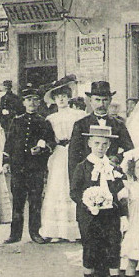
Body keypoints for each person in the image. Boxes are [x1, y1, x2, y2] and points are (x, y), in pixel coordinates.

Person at [70, 125, 129, 277]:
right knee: (90, 251)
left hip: (110, 215)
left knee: (113, 250)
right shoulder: (82, 167)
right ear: (89, 143)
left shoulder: (112, 167)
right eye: (96, 143)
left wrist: (124, 212)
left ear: (109, 145)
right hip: (89, 217)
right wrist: (89, 201)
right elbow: (74, 192)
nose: (100, 147)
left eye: (104, 144)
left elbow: (120, 190)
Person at [3, 83, 56, 244]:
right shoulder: (16, 121)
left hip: (36, 168)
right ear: (24, 103)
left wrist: (42, 149)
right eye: (28, 100)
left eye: (35, 100)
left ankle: (35, 233)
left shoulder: (43, 122)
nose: (32, 103)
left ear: (39, 103)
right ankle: (15, 234)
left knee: (35, 201)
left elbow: (51, 143)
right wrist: (6, 162)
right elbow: (9, 143)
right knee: (17, 201)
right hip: (18, 167)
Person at [39, 77, 87, 242]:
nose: (61, 99)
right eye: (58, 97)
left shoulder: (79, 115)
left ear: (69, 97)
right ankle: (57, 230)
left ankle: (76, 230)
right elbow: (48, 139)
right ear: (54, 100)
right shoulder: (51, 119)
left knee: (74, 184)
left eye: (64, 96)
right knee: (58, 187)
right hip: (59, 154)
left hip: (75, 152)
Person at [68, 81, 134, 183]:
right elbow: (73, 157)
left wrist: (117, 158)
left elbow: (130, 150)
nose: (101, 104)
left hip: (111, 175)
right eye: (97, 100)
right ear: (90, 100)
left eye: (105, 100)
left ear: (110, 100)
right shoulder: (81, 124)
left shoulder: (118, 125)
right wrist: (74, 183)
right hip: (87, 175)